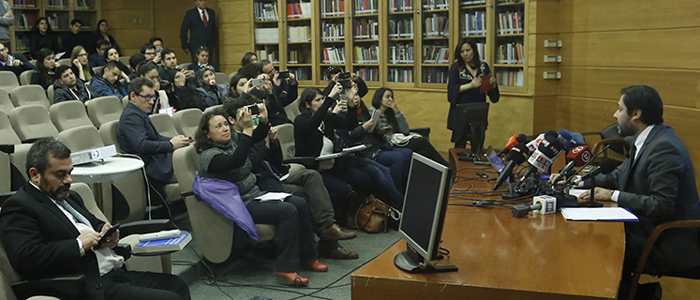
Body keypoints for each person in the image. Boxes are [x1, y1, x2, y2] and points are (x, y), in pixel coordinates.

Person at [0, 138, 191, 300]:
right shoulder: (20, 206)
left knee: (177, 285)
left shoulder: (69, 196)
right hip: (85, 284)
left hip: (113, 272)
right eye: (60, 174)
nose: (69, 180)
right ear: (35, 174)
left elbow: (92, 222)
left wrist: (106, 232)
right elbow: (26, 259)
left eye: (69, 172)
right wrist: (78, 245)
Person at [575, 85, 700, 298]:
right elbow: (617, 177)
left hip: (668, 240)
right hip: (647, 227)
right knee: (597, 237)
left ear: (636, 114)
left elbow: (661, 205)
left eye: (619, 109)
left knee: (598, 245)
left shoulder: (663, 148)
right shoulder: (646, 140)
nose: (615, 115)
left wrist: (612, 195)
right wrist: (577, 182)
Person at [195, 107, 327, 286]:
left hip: (256, 194)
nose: (225, 128)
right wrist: (247, 131)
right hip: (239, 203)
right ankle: (285, 269)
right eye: (218, 126)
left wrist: (263, 121)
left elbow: (256, 138)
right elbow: (236, 160)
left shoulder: (231, 141)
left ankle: (308, 256)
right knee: (288, 211)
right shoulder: (209, 156)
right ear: (207, 134)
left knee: (299, 203)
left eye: (226, 124)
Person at [223, 97, 359, 259]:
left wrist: (273, 143)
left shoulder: (253, 132)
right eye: (243, 114)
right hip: (262, 185)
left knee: (311, 176)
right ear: (231, 120)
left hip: (276, 174)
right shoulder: (235, 139)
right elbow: (250, 164)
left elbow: (275, 162)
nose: (249, 117)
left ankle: (327, 226)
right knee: (305, 196)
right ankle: (327, 244)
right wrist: (257, 136)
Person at [295, 85, 405, 209]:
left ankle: (396, 204)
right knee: (363, 178)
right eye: (318, 100)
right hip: (316, 169)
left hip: (336, 163)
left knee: (379, 171)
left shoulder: (326, 119)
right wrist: (330, 98)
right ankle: (399, 205)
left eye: (322, 99)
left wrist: (351, 104)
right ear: (307, 105)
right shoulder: (301, 121)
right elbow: (312, 125)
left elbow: (350, 124)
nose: (322, 103)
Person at [117, 78, 191, 199]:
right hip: (154, 168)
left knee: (192, 149)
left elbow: (156, 138)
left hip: (160, 161)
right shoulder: (130, 116)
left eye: (153, 97)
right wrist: (171, 145)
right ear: (133, 96)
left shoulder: (138, 113)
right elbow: (142, 145)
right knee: (193, 164)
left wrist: (176, 140)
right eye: (147, 97)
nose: (151, 102)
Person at [346, 92, 412, 190]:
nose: (356, 98)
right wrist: (363, 128)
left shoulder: (364, 112)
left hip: (379, 145)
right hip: (367, 151)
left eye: (357, 95)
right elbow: (350, 136)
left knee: (409, 153)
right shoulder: (347, 115)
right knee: (398, 157)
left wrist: (379, 132)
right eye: (353, 95)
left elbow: (405, 130)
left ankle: (405, 187)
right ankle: (397, 190)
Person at [370, 88, 449, 166]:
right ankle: (445, 165)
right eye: (387, 97)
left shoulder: (391, 113)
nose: (391, 99)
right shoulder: (371, 113)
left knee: (423, 153)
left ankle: (435, 173)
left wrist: (396, 110)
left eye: (392, 97)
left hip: (398, 140)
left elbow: (405, 130)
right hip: (387, 143)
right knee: (422, 141)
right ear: (380, 99)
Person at [447, 39, 500, 149]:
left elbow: (493, 97)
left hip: (478, 111)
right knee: (460, 145)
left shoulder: (483, 66)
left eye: (468, 50)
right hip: (461, 111)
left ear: (474, 51)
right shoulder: (456, 68)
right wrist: (470, 85)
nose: (465, 54)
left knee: (478, 145)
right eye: (462, 52)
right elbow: (451, 90)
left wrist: (493, 85)